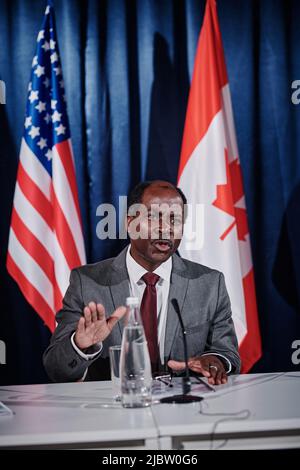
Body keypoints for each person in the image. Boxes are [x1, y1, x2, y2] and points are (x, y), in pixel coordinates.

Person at [43, 180, 240, 384]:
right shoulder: (87, 282)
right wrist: (80, 345)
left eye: (175, 220)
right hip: (113, 409)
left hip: (185, 409)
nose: (166, 229)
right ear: (130, 223)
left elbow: (228, 354)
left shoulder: (209, 283)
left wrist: (215, 361)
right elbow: (56, 369)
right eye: (155, 217)